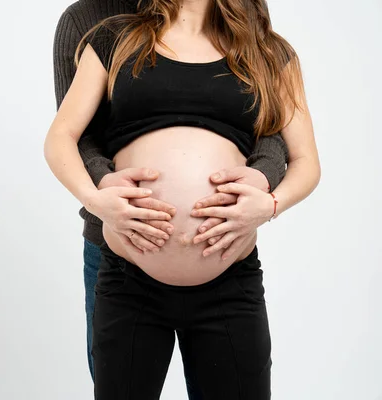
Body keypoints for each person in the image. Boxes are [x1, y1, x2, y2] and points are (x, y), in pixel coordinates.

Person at [46, 0, 320, 398]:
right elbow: (63, 136)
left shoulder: (267, 51)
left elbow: (306, 160)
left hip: (229, 280)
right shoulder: (114, 37)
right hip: (128, 275)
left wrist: (271, 203)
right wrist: (95, 197)